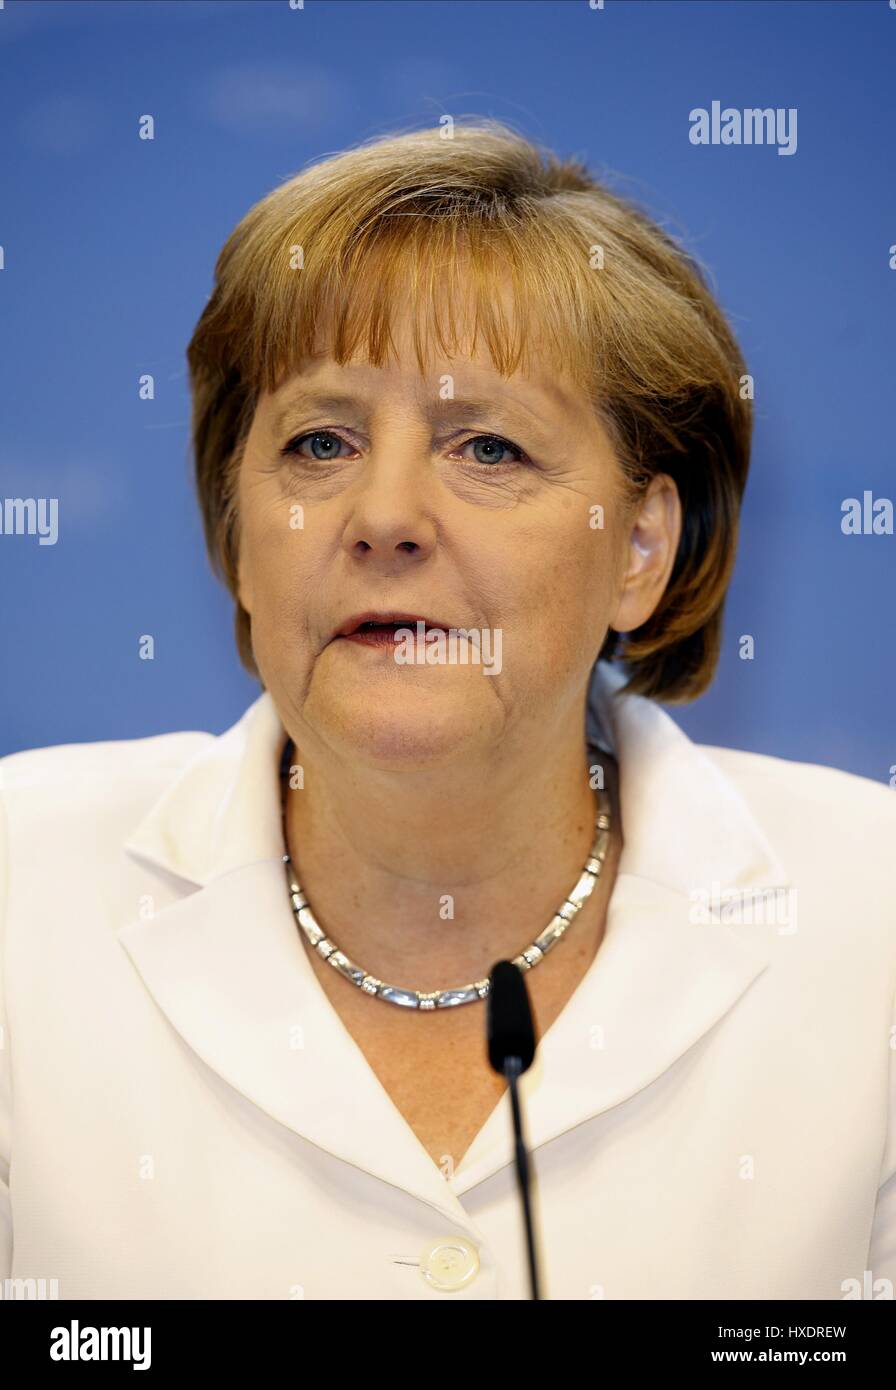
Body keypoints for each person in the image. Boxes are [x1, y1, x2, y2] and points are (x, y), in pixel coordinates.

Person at [0, 122, 893, 1301]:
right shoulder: (21, 890)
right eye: (320, 442)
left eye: (488, 447)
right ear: (237, 534)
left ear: (637, 546)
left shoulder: (869, 918)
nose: (384, 515)